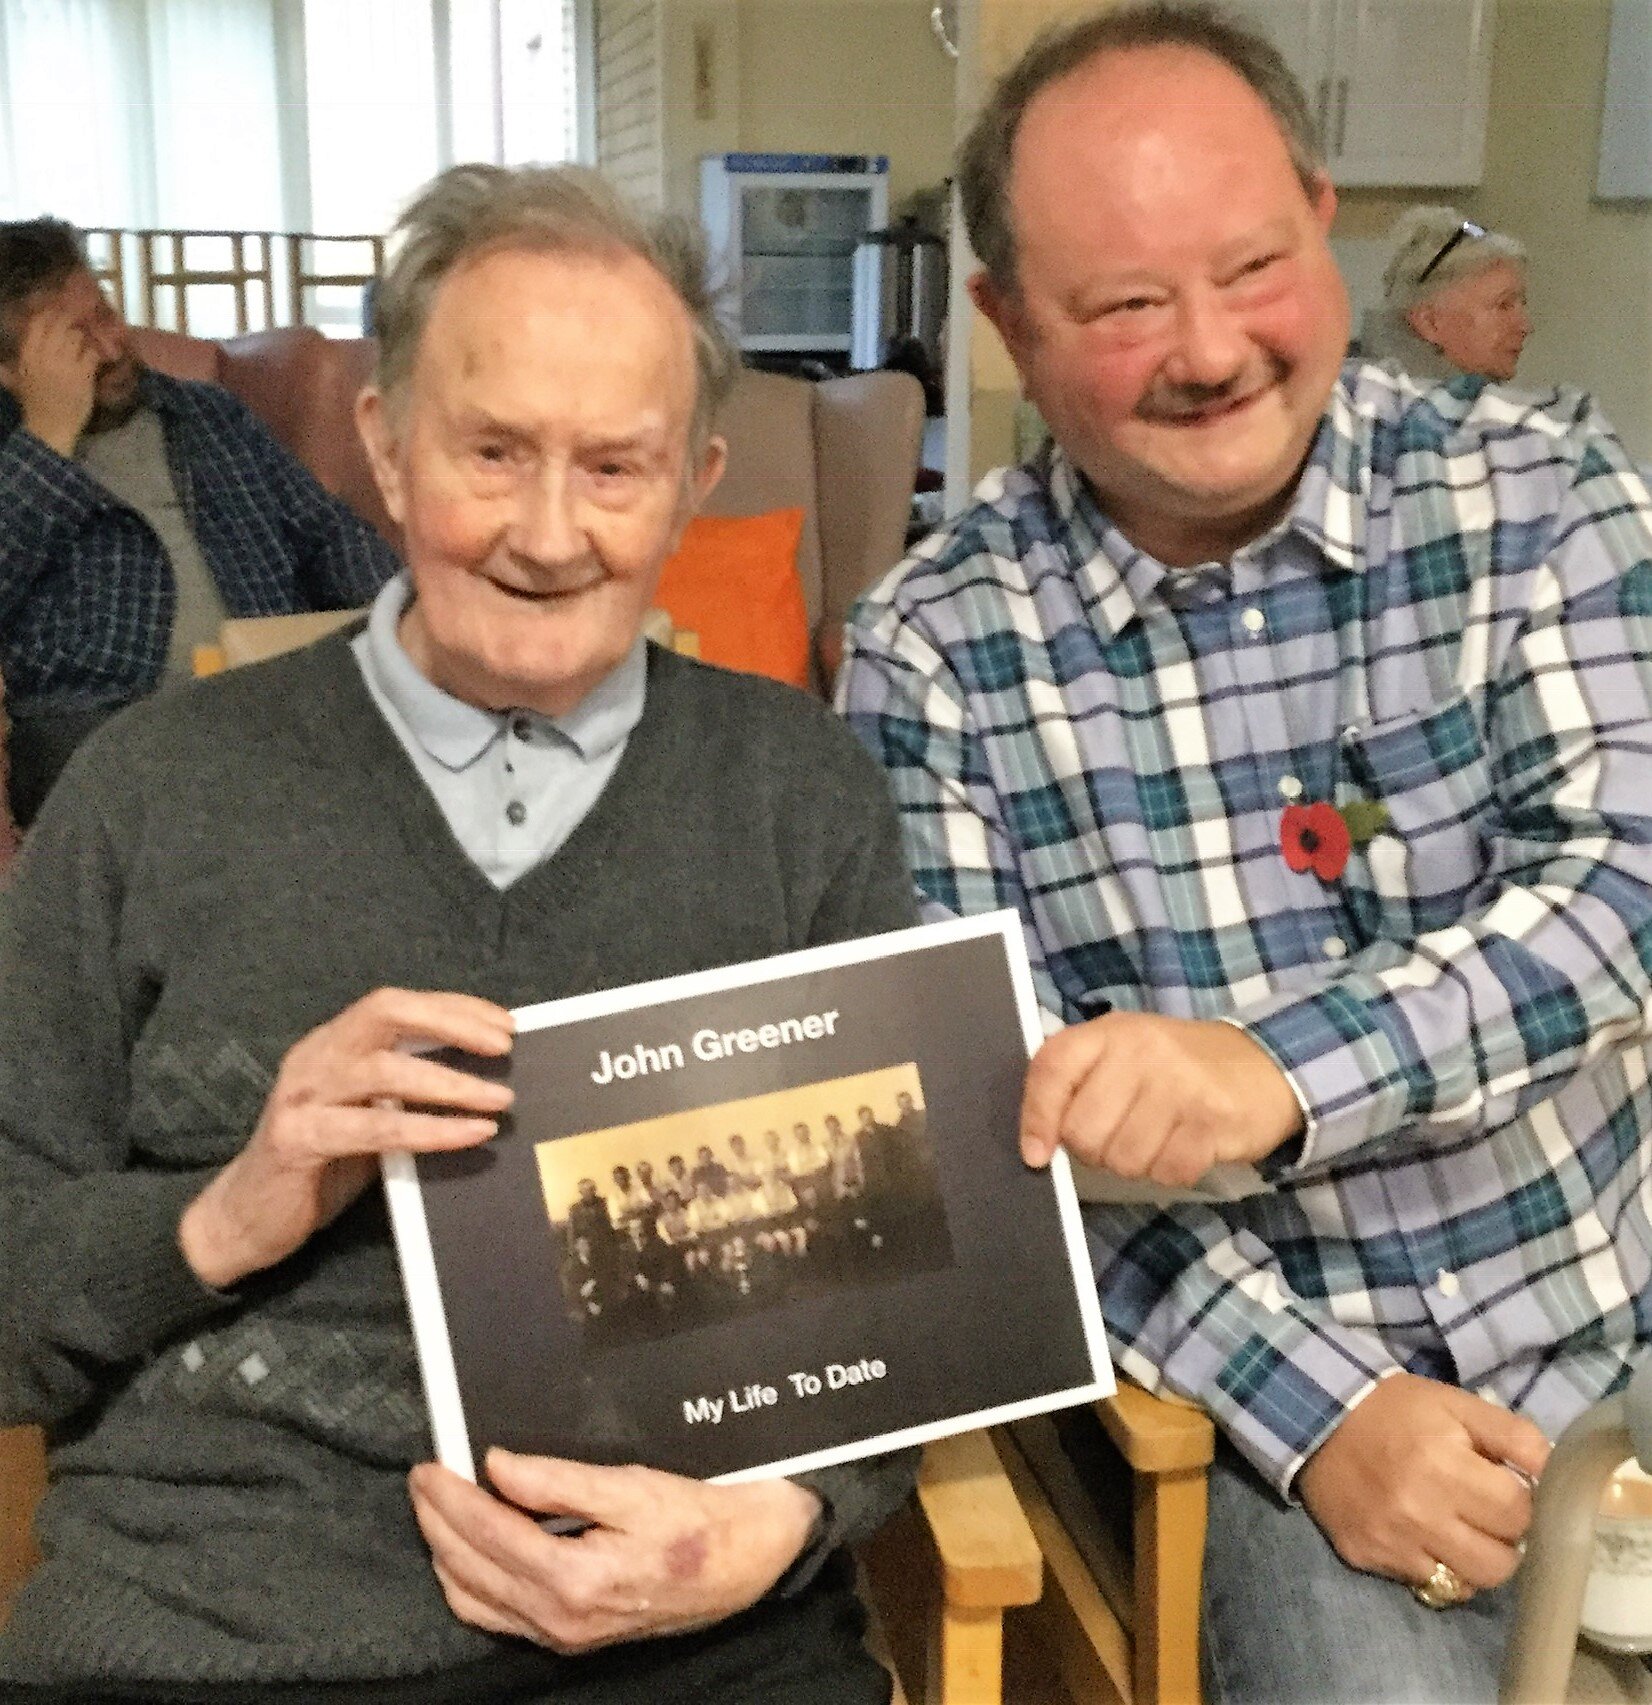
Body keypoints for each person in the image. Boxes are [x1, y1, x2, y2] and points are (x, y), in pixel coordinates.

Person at [0, 163, 918, 1704]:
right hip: (214, 1636)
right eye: (492, 452)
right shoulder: (148, 790)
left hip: (697, 1629)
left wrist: (783, 1519)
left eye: (615, 470)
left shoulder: (797, 791)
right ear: (384, 447)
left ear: (695, 480)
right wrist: (234, 1206)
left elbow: (910, 1297)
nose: (550, 536)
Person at [837, 5, 1652, 1701]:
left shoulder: (1541, 496)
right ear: (1001, 323)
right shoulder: (930, 650)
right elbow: (983, 1149)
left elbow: (1622, 895)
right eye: (1124, 306)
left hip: (1616, 1312)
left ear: (1323, 218)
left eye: (1253, 267)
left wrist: (1267, 1074)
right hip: (1282, 1401)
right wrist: (1321, 1416)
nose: (1206, 350)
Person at [0, 218, 397, 828]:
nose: (111, 349)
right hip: (99, 726)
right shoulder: (15, 466)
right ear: (10, 370)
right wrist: (47, 442)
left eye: (104, 315)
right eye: (74, 342)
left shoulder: (206, 414)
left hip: (265, 689)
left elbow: (325, 534)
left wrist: (416, 614)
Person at [1359, 203, 1531, 384]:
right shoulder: (1406, 407)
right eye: (1503, 306)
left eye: (1522, 304)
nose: (1525, 327)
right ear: (1429, 322)